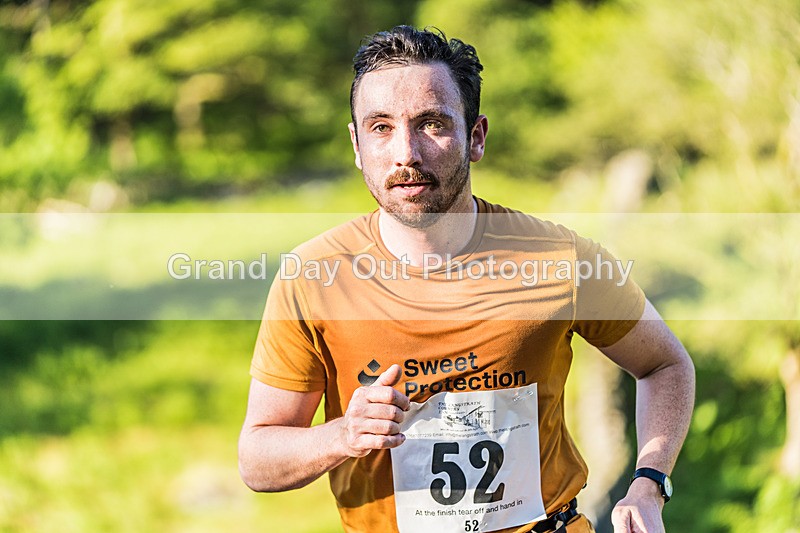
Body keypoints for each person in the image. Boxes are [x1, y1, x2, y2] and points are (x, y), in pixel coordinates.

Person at [238, 25, 695, 533]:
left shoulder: (561, 259)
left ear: (475, 137)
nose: (405, 153)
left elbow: (664, 365)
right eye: (381, 127)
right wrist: (344, 434)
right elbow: (257, 458)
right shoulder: (313, 277)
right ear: (356, 143)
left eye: (431, 124)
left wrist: (649, 484)